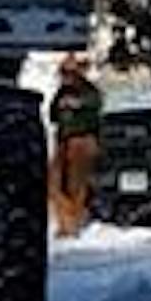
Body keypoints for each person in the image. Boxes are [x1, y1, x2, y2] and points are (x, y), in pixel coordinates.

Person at [47, 53, 103, 238]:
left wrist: (78, 105)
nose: (65, 77)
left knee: (76, 184)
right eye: (63, 73)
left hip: (82, 141)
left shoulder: (89, 91)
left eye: (69, 73)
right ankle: (63, 220)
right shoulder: (61, 92)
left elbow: (95, 106)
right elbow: (53, 115)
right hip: (63, 140)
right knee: (55, 182)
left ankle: (73, 223)